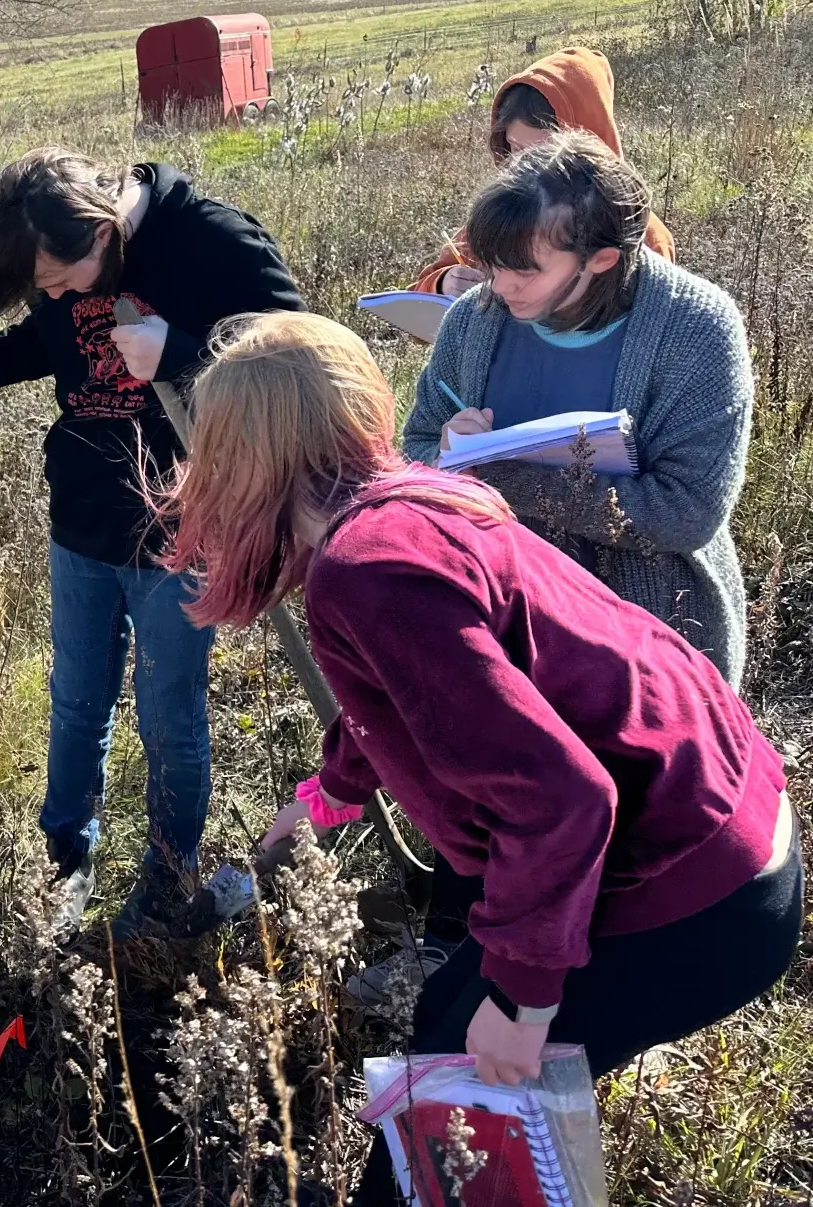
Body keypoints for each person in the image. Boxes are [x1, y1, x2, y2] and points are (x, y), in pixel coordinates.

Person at [161, 311, 801, 1204]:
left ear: (239, 461)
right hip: (732, 822)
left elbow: (563, 799)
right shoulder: (414, 500)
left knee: (447, 1129)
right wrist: (329, 792)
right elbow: (430, 690)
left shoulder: (365, 567)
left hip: (698, 889)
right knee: (443, 1035)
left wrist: (526, 1000)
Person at [0, 149, 303, 935]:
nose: (54, 294)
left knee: (168, 717)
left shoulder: (212, 239)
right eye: (40, 287)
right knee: (77, 706)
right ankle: (64, 863)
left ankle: (167, 873)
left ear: (101, 226)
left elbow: (301, 348)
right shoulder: (62, 259)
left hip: (182, 534)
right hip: (81, 527)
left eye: (59, 277)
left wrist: (182, 351)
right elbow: (37, 343)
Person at [404, 131, 752, 686]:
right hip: (503, 629)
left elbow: (688, 511)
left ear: (602, 259)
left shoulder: (699, 330)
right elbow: (416, 444)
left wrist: (495, 474)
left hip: (651, 641)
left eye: (526, 269)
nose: (501, 285)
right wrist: (445, 455)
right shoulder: (473, 319)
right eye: (492, 264)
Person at [410, 45, 676, 298]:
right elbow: (416, 299)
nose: (524, 166)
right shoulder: (503, 214)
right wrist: (443, 284)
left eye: (540, 153)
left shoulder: (643, 239)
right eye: (515, 148)